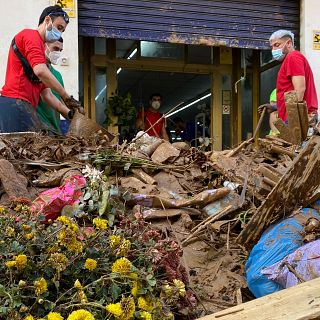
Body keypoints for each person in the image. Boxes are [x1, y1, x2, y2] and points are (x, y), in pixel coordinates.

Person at [0, 5, 83, 133]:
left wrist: (71, 115)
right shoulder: (30, 35)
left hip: (25, 106)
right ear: (48, 20)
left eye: (62, 31)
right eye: (59, 27)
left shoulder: (40, 54)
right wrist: (67, 97)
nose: (59, 33)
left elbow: (47, 96)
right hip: (14, 103)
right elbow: (40, 71)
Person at [269, 29, 318, 123]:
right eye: (272, 47)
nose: (274, 50)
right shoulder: (291, 59)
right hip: (297, 117)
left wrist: (291, 118)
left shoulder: (293, 57)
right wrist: (276, 107)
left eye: (277, 45)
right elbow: (290, 90)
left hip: (298, 119)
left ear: (289, 43)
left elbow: (300, 89)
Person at [37, 37, 64, 134]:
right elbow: (47, 96)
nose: (58, 53)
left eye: (60, 50)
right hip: (39, 129)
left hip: (55, 129)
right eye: (55, 49)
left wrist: (75, 116)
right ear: (44, 46)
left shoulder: (57, 75)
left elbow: (61, 101)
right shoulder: (36, 71)